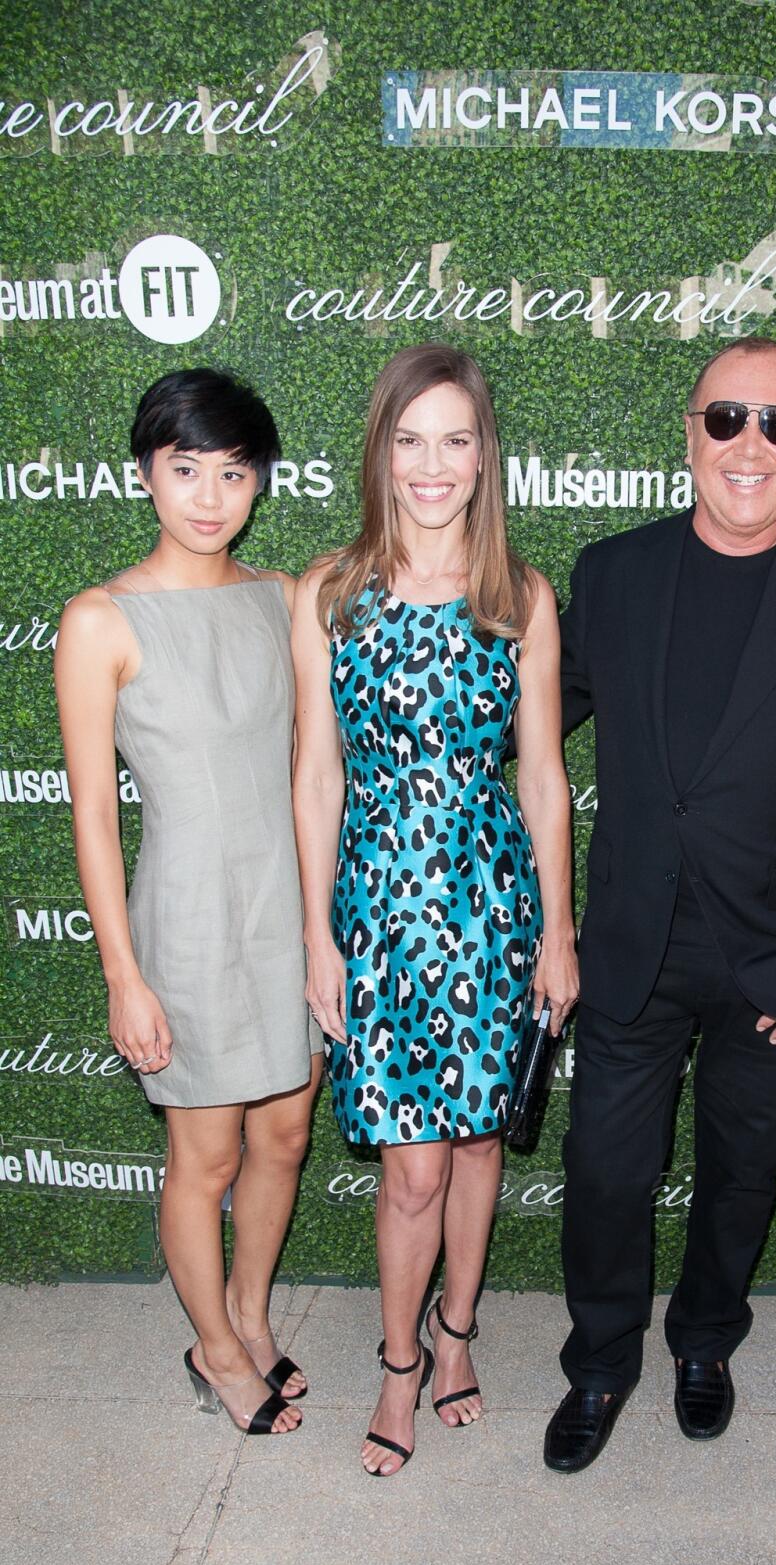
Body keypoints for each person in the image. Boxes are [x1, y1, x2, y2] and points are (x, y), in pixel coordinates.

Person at [543, 335, 776, 1473]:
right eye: (725, 419)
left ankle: (705, 1341)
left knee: (740, 1175)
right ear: (690, 433)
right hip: (633, 946)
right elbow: (530, 732)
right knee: (608, 1169)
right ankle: (602, 1365)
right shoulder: (612, 573)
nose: (748, 444)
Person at [293, 343, 577, 1477]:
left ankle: (458, 1336)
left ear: (483, 455)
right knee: (413, 1164)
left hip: (492, 909)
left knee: (475, 1142)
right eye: (411, 439)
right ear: (381, 451)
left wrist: (558, 932)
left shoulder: (519, 598)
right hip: (379, 912)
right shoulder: (332, 593)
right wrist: (319, 934)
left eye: (455, 439)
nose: (432, 464)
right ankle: (400, 1364)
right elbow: (317, 775)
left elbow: (544, 779)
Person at [54, 369, 324, 1436]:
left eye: (232, 472)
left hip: (290, 909)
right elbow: (91, 819)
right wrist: (125, 975)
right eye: (184, 469)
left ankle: (252, 1317)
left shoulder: (285, 596)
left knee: (288, 1135)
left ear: (258, 481)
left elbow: (313, 767)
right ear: (145, 474)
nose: (209, 495)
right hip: (188, 924)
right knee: (205, 1153)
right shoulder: (99, 620)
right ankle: (213, 1350)